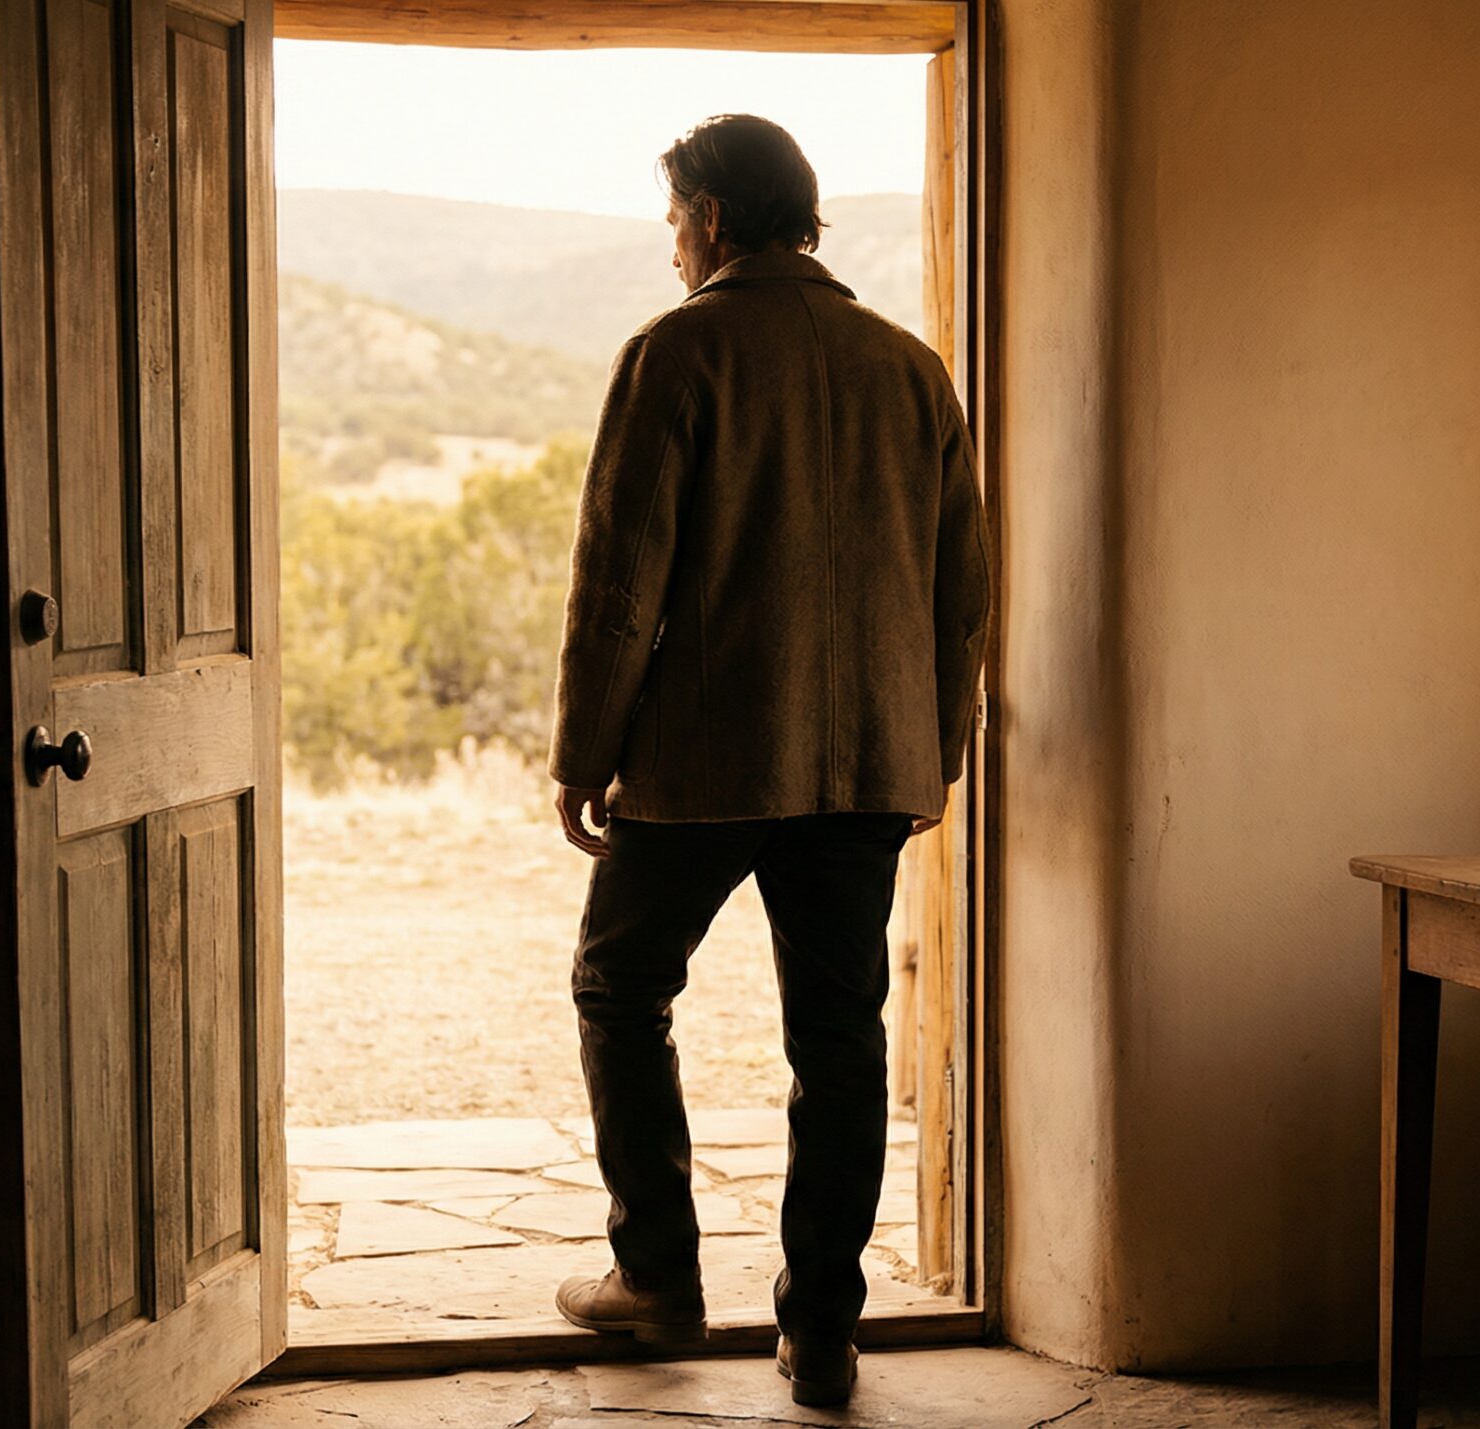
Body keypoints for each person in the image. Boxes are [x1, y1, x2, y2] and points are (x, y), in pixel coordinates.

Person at [544, 113, 991, 1407]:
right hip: (866, 765)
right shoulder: (912, 369)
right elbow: (964, 590)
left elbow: (620, 580)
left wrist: (584, 749)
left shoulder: (679, 352)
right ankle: (823, 1330)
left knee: (621, 989)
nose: (672, 246)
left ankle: (660, 1279)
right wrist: (934, 753)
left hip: (705, 758)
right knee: (840, 1039)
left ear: (717, 221)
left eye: (675, 221)